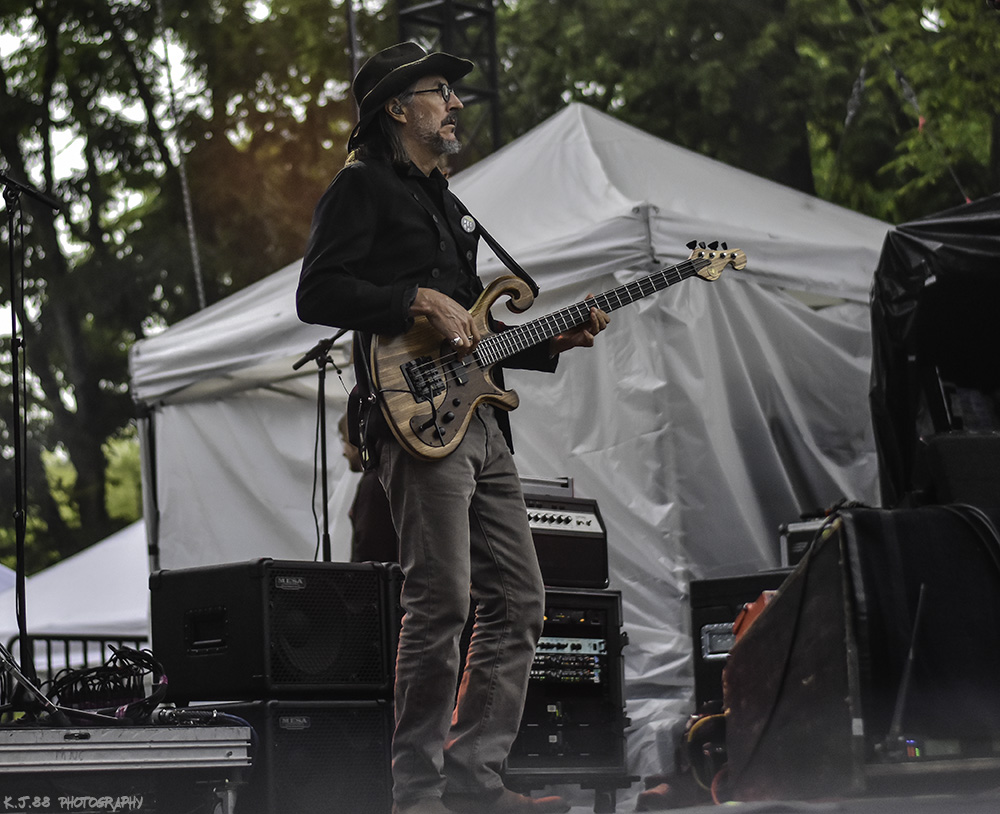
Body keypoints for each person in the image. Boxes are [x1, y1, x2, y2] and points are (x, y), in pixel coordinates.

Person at [296, 42, 609, 814]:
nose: (457, 104)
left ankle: (475, 782)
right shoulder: (361, 186)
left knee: (521, 600)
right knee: (440, 603)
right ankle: (417, 792)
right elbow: (317, 292)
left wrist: (550, 341)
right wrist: (414, 299)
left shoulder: (446, 199)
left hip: (480, 420)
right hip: (417, 426)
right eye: (441, 91)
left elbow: (473, 337)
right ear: (398, 108)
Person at [338, 412, 399, 563]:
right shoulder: (386, 476)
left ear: (355, 439)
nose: (343, 452)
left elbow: (370, 545)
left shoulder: (374, 482)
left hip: (375, 575)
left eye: (344, 441)